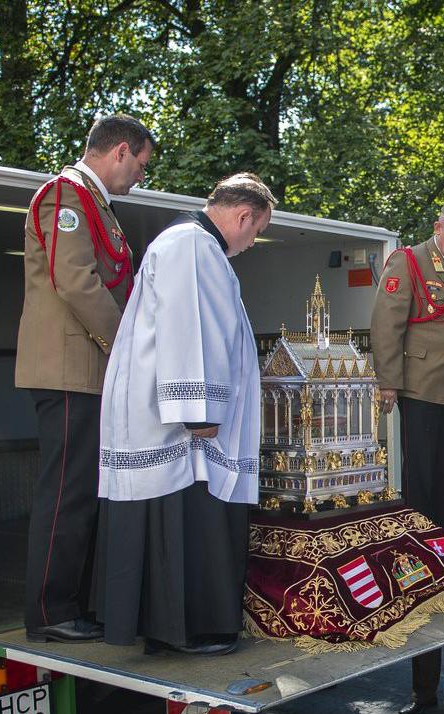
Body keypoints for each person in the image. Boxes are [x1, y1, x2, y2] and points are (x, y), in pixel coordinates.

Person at [94, 173, 273, 656]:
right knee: (190, 523)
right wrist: (199, 411)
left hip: (177, 419)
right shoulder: (193, 246)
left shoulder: (192, 245)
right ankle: (191, 628)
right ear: (243, 215)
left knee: (185, 520)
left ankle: (178, 627)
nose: (250, 244)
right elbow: (189, 329)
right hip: (183, 428)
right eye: (255, 232)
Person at [18, 113, 154, 643]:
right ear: (119, 151)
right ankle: (50, 611)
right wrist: (125, 343)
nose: (140, 176)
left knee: (87, 491)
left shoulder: (98, 207)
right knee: (67, 492)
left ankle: (74, 602)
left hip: (90, 369)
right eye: (140, 165)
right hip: (70, 367)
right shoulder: (65, 196)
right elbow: (76, 282)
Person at [371, 196, 444, 714]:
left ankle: (441, 543)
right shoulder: (409, 261)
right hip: (417, 389)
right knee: (421, 491)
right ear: (438, 226)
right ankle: (423, 540)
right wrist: (388, 384)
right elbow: (387, 324)